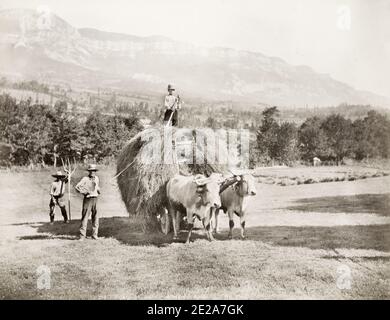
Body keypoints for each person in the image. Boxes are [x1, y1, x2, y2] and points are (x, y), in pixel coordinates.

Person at [75, 164, 101, 240]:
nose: (93, 172)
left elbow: (97, 187)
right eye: (91, 171)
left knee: (96, 217)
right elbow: (77, 187)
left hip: (95, 199)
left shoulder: (96, 178)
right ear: (89, 171)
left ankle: (94, 235)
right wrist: (84, 192)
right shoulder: (85, 179)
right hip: (88, 199)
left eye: (94, 171)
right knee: (85, 217)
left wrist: (98, 190)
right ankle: (82, 236)